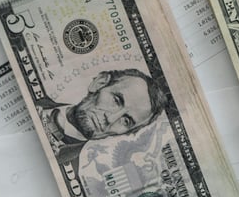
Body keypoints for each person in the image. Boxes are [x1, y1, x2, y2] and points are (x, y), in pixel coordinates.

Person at [36, 68, 168, 160]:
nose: (110, 119)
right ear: (99, 83)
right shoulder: (33, 98)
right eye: (117, 101)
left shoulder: (72, 169)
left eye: (126, 121)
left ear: (127, 133)